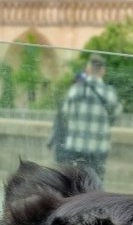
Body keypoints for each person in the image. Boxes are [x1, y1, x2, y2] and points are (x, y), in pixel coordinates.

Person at [49, 53, 122, 182]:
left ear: (88, 69)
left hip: (75, 147)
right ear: (103, 71)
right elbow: (116, 115)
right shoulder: (110, 93)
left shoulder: (75, 90)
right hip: (98, 149)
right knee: (94, 185)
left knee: (73, 185)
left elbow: (65, 114)